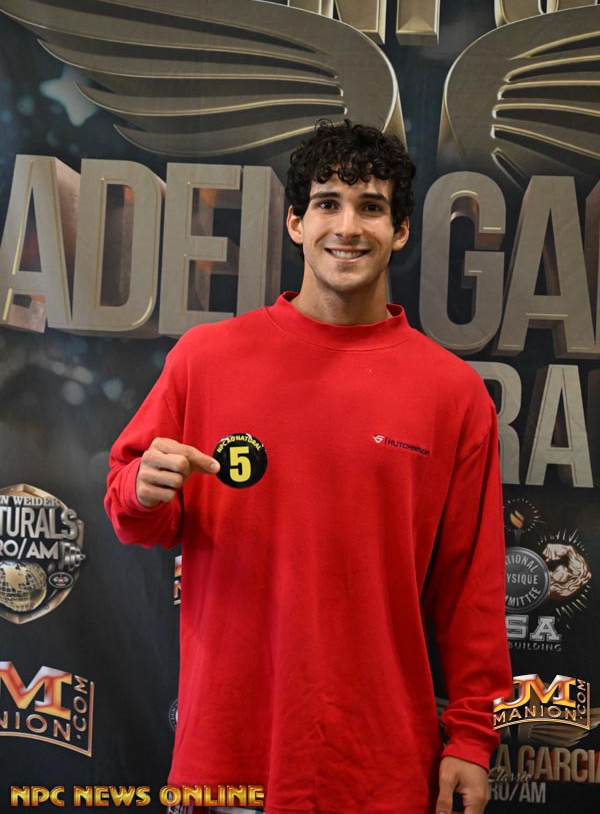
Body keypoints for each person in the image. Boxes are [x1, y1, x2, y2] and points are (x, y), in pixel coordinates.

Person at [105, 120, 512, 814]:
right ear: (296, 223)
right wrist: (142, 490)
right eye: (327, 203)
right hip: (226, 763)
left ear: (401, 231)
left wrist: (473, 738)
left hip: (379, 769)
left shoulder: (453, 394)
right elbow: (134, 514)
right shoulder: (206, 359)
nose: (347, 227)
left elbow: (471, 589)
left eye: (371, 207)